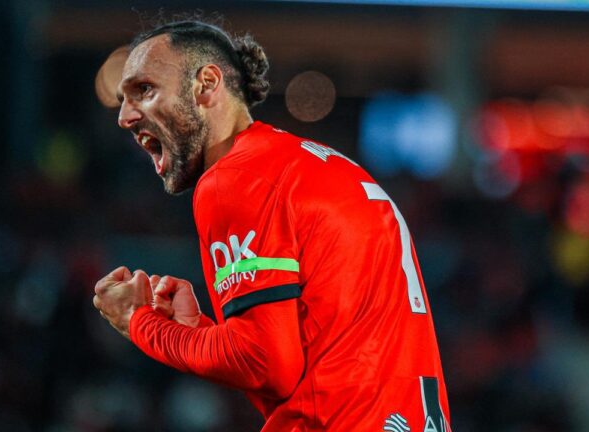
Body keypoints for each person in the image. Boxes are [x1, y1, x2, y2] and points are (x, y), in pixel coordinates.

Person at [92, 19, 451, 432]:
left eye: (144, 90)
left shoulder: (234, 179)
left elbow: (264, 363)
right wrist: (200, 332)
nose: (123, 116)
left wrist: (140, 322)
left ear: (206, 85)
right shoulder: (323, 166)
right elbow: (299, 364)